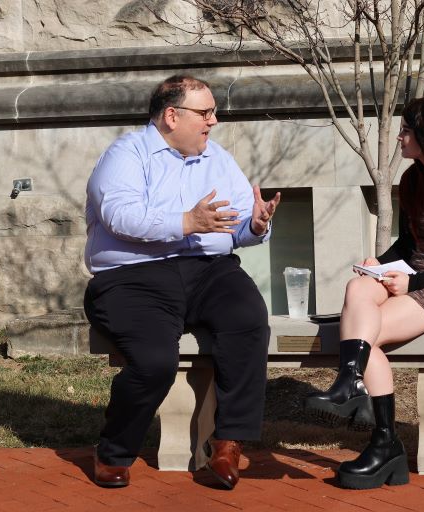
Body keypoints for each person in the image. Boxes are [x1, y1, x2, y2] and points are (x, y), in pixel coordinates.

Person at [83, 75, 280, 490]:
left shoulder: (218, 158)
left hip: (207, 269)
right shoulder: (126, 154)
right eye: (205, 112)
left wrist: (256, 225)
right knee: (155, 363)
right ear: (172, 115)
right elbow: (118, 215)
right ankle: (113, 450)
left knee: (247, 318)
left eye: (213, 111)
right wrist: (186, 222)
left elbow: (237, 228)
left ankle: (228, 443)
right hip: (133, 276)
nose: (214, 120)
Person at [304, 96, 424, 490]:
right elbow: (410, 243)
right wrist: (379, 263)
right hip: (411, 277)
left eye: (406, 130)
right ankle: (352, 383)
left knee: (365, 336)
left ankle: (382, 441)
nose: (398, 138)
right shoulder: (413, 180)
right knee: (358, 285)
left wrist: (411, 284)